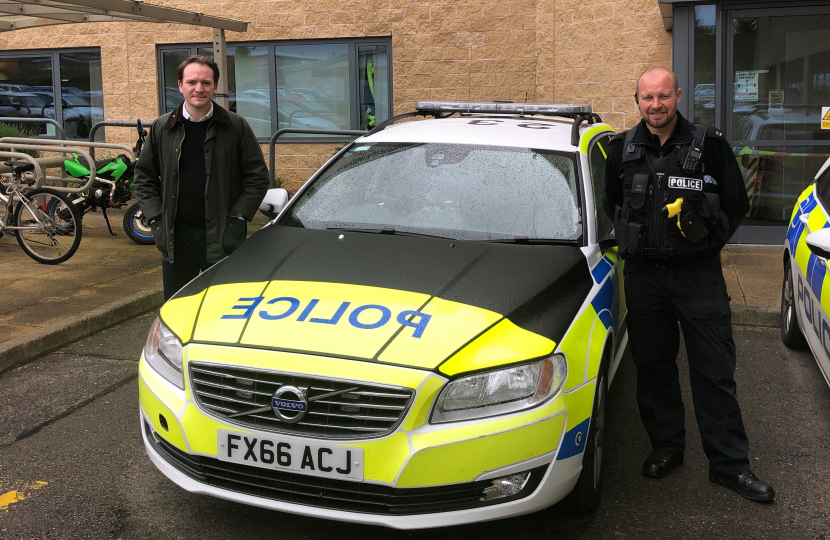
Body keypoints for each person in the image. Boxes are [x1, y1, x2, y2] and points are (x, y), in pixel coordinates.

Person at [602, 67, 775, 502]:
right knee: (654, 368)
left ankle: (730, 465)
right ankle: (667, 448)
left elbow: (736, 204)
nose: (655, 105)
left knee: (714, 371)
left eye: (663, 96)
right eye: (646, 98)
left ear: (678, 95)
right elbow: (613, 204)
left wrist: (702, 247)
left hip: (698, 278)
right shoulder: (621, 149)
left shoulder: (710, 146)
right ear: (636, 100)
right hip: (644, 277)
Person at [135, 55, 269, 300]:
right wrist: (156, 219)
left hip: (222, 236)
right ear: (180, 85)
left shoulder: (236, 126)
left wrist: (238, 218)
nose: (199, 88)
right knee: (178, 310)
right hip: (176, 238)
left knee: (222, 311)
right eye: (192, 82)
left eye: (206, 83)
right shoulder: (162, 127)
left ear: (215, 87)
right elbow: (144, 178)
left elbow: (258, 178)